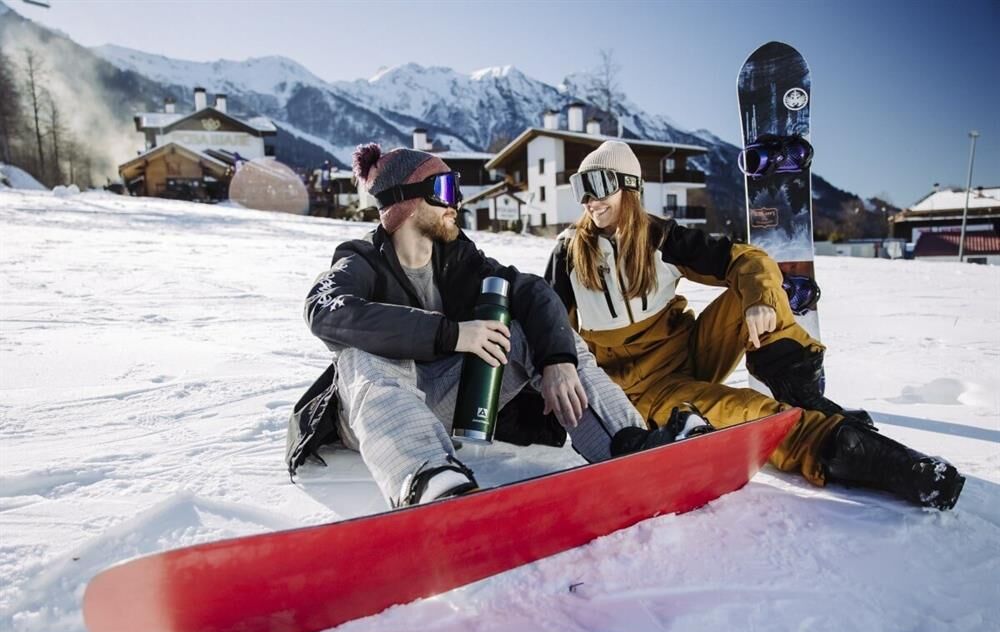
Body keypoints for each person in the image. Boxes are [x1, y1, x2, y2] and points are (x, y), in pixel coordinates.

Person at [544, 140, 965, 510]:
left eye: (598, 186)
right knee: (753, 415)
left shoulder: (662, 237)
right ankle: (879, 461)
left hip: (689, 356)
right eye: (581, 189)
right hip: (640, 391)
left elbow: (747, 259)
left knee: (755, 275)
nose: (590, 202)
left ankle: (798, 389)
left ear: (629, 187)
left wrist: (760, 302)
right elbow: (549, 327)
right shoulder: (570, 253)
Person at [298, 143, 702, 508]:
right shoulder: (362, 259)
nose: (456, 203)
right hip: (372, 413)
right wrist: (452, 334)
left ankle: (629, 443)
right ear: (406, 201)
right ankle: (427, 480)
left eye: (457, 189)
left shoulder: (458, 259)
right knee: (361, 354)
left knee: (534, 333)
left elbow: (530, 290)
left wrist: (557, 360)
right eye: (444, 190)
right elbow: (324, 309)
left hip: (440, 400)